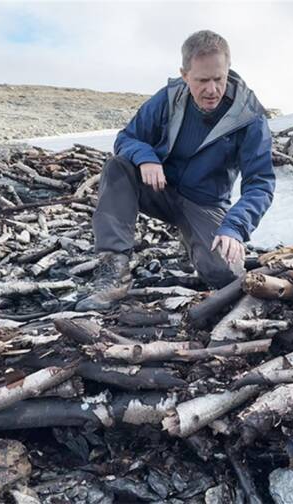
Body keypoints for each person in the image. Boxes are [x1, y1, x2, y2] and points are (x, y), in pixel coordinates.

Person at [76, 29, 275, 311]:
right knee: (118, 167)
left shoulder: (249, 116)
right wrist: (146, 158)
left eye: (218, 79)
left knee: (224, 275)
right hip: (159, 188)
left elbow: (261, 183)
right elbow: (126, 138)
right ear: (184, 75)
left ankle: (197, 244)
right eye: (202, 80)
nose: (211, 89)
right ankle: (113, 271)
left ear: (227, 70)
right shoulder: (168, 98)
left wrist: (235, 226)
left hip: (204, 203)